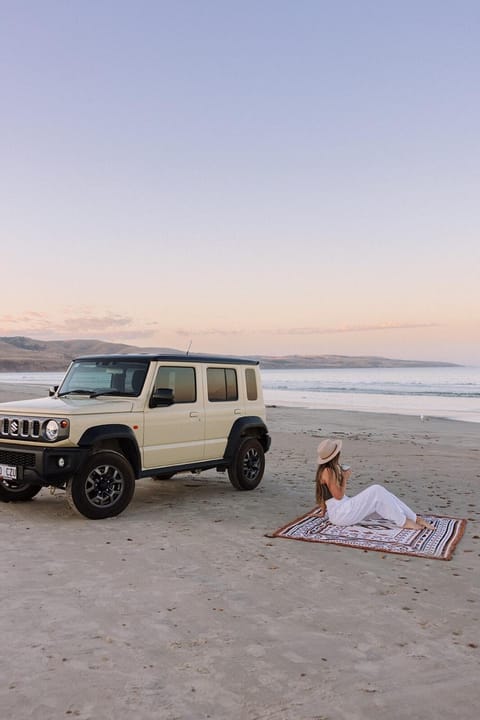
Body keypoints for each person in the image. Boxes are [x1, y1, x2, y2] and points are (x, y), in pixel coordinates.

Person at [315, 438, 435, 531]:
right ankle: (403, 522)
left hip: (341, 511)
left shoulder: (325, 470)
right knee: (377, 490)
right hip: (341, 514)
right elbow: (338, 496)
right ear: (336, 454)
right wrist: (345, 478)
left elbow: (324, 494)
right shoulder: (328, 471)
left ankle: (415, 518)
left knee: (385, 498)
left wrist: (324, 511)